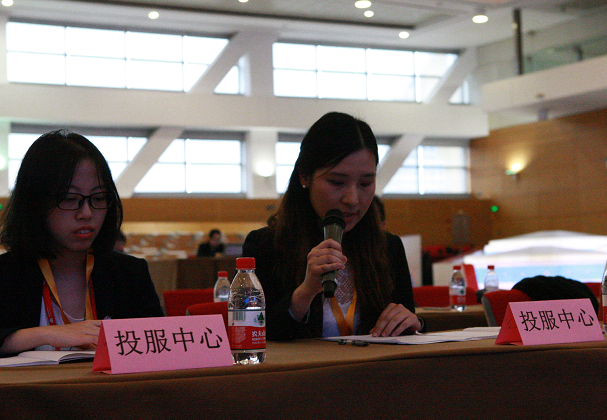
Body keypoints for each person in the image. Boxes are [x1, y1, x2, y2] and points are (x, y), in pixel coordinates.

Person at [242, 112, 423, 341]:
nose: (352, 199)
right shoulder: (265, 245)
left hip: (373, 365)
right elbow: (251, 333)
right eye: (337, 182)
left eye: (366, 183)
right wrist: (305, 293)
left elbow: (409, 325)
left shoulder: (389, 247)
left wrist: (413, 323)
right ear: (305, 176)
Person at [0, 130, 164, 356]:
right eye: (70, 199)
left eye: (98, 198)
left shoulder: (130, 274)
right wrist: (44, 334)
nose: (86, 213)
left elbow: (160, 346)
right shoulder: (5, 274)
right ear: (35, 203)